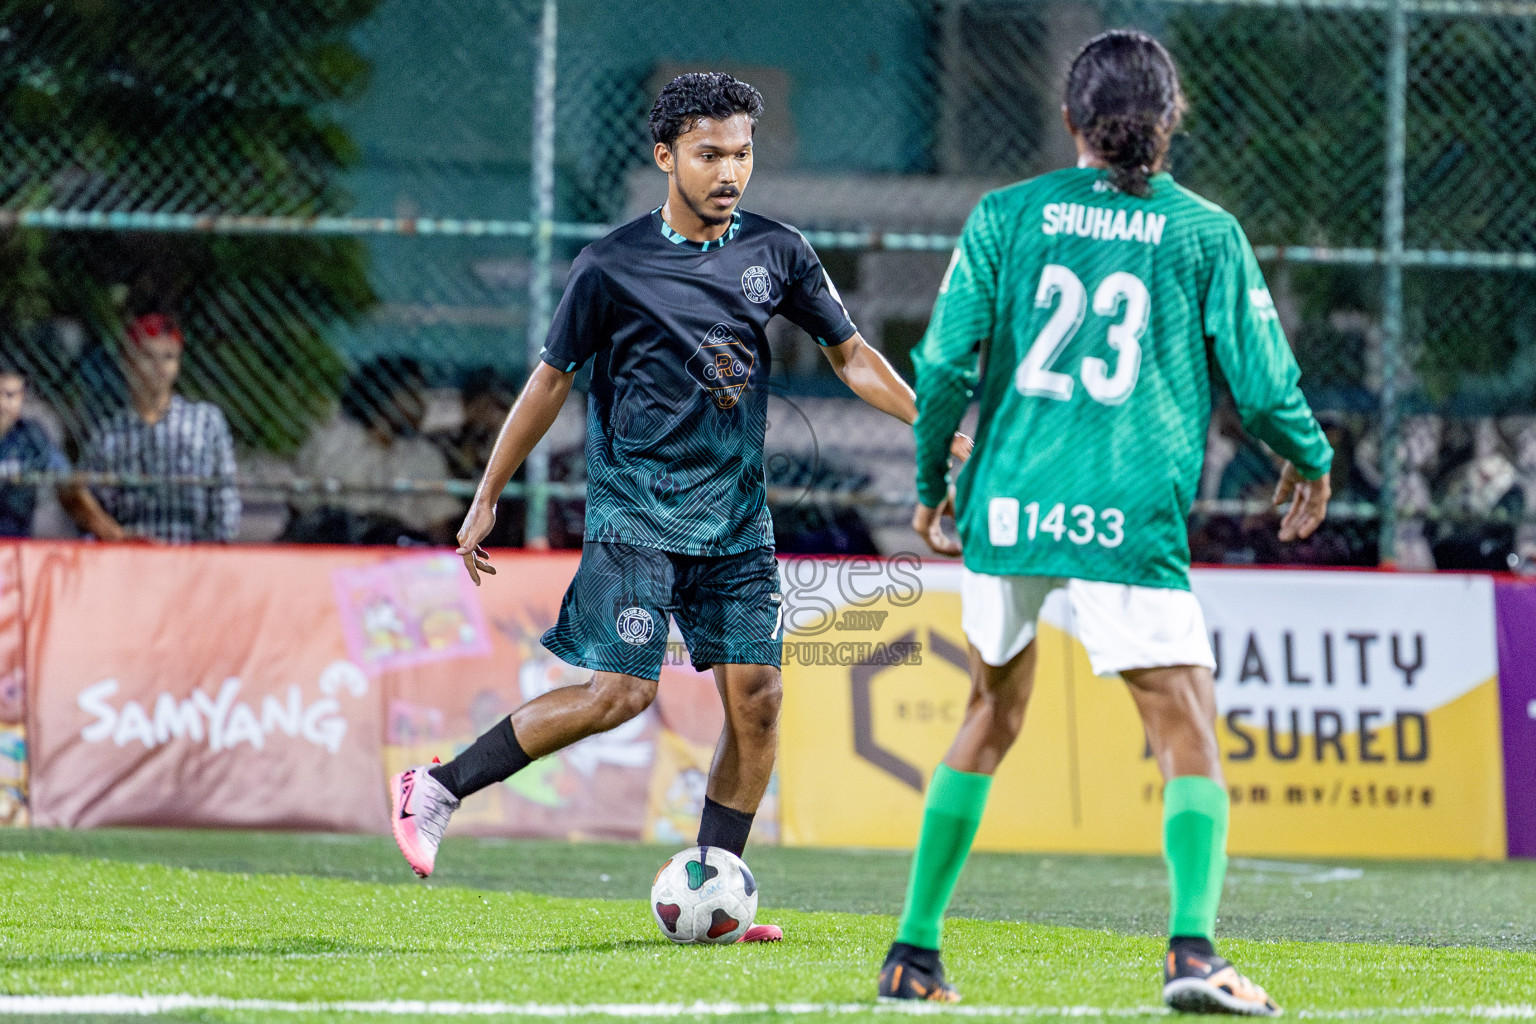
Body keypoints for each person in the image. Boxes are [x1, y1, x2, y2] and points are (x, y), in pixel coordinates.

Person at [387, 73, 968, 941]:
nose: (729, 172)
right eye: (709, 155)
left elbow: (849, 357)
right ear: (666, 157)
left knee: (760, 699)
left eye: (741, 154)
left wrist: (940, 430)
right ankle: (436, 785)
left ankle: (713, 885)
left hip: (737, 518)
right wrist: (487, 497)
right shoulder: (610, 266)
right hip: (636, 512)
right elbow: (549, 383)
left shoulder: (781, 253)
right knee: (618, 695)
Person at [879, 31, 1331, 1015]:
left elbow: (946, 367)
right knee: (1186, 722)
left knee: (989, 714)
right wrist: (1312, 454)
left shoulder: (1006, 215)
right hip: (1127, 507)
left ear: (1071, 121)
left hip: (1009, 502)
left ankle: (913, 953)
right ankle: (1191, 953)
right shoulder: (1205, 232)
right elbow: (1259, 386)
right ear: (1174, 118)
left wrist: (930, 481)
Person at [77, 314, 241, 543]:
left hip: (193, 555)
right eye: (148, 356)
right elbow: (93, 506)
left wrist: (214, 554)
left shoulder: (205, 422)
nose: (159, 367)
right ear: (128, 362)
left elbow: (225, 500)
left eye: (168, 357)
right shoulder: (110, 435)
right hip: (130, 557)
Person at [286, 357, 464, 545]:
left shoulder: (422, 455)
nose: (422, 403)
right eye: (412, 393)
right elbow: (299, 504)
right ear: (386, 396)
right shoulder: (332, 443)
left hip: (395, 548)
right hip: (331, 543)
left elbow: (439, 521)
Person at [0, 356, 117, 538]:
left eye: (10, 395)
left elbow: (64, 478)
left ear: (22, 397)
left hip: (15, 543)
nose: (2, 405)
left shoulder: (30, 437)